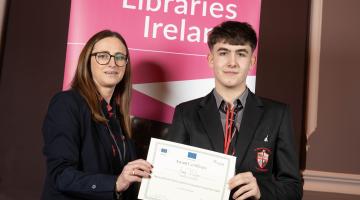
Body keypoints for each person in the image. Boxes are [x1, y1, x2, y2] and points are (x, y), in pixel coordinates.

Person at [166, 21, 302, 199]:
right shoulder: (185, 113)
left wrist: (262, 190)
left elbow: (293, 188)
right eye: (223, 53)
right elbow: (170, 179)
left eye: (241, 54)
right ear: (211, 60)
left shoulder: (277, 114)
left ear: (252, 61)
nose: (232, 63)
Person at [42, 30, 152, 200]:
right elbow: (61, 175)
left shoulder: (117, 116)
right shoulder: (67, 104)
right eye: (102, 56)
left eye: (119, 57)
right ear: (88, 61)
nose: (112, 63)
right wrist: (116, 183)